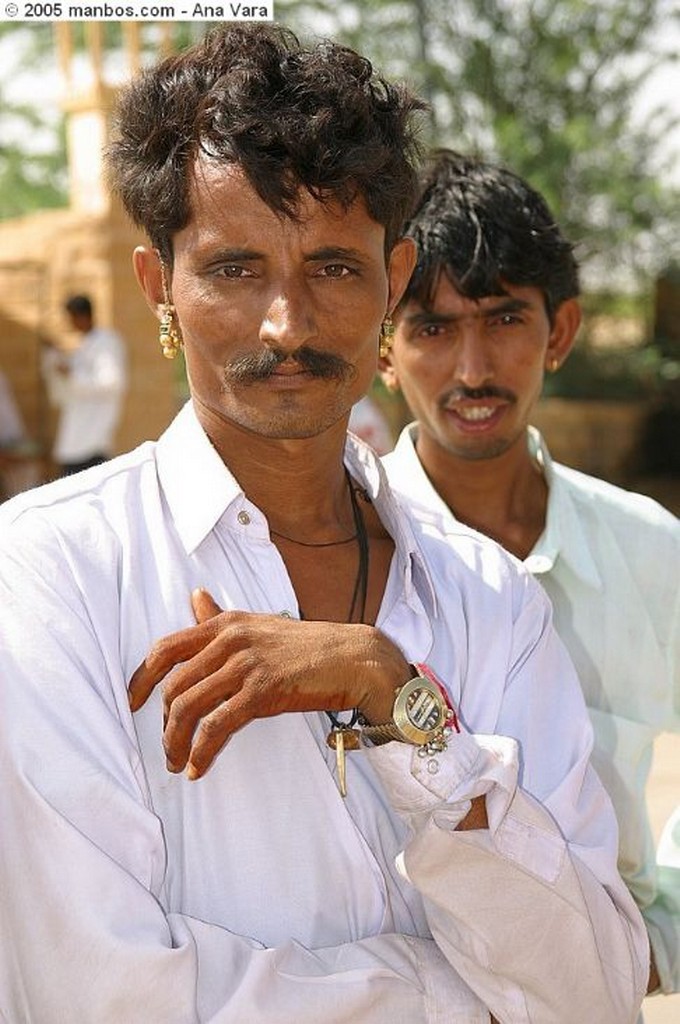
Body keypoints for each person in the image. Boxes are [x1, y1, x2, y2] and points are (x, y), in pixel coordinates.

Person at [0, 27, 648, 1023]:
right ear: (156, 287)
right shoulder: (52, 574)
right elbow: (101, 994)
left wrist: (404, 710)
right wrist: (462, 997)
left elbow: (593, 985)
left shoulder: (485, 598)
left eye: (334, 269)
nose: (286, 323)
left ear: (391, 282)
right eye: (232, 269)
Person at [380, 149, 680, 1004]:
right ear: (382, 352)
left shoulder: (649, 551)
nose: (473, 369)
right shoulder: (339, 552)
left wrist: (662, 940)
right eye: (432, 328)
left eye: (504, 318)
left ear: (560, 333)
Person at [41, 293, 127, 475]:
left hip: (93, 435)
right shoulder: (85, 345)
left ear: (82, 316)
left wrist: (71, 373)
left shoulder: (107, 342)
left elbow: (111, 383)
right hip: (76, 432)